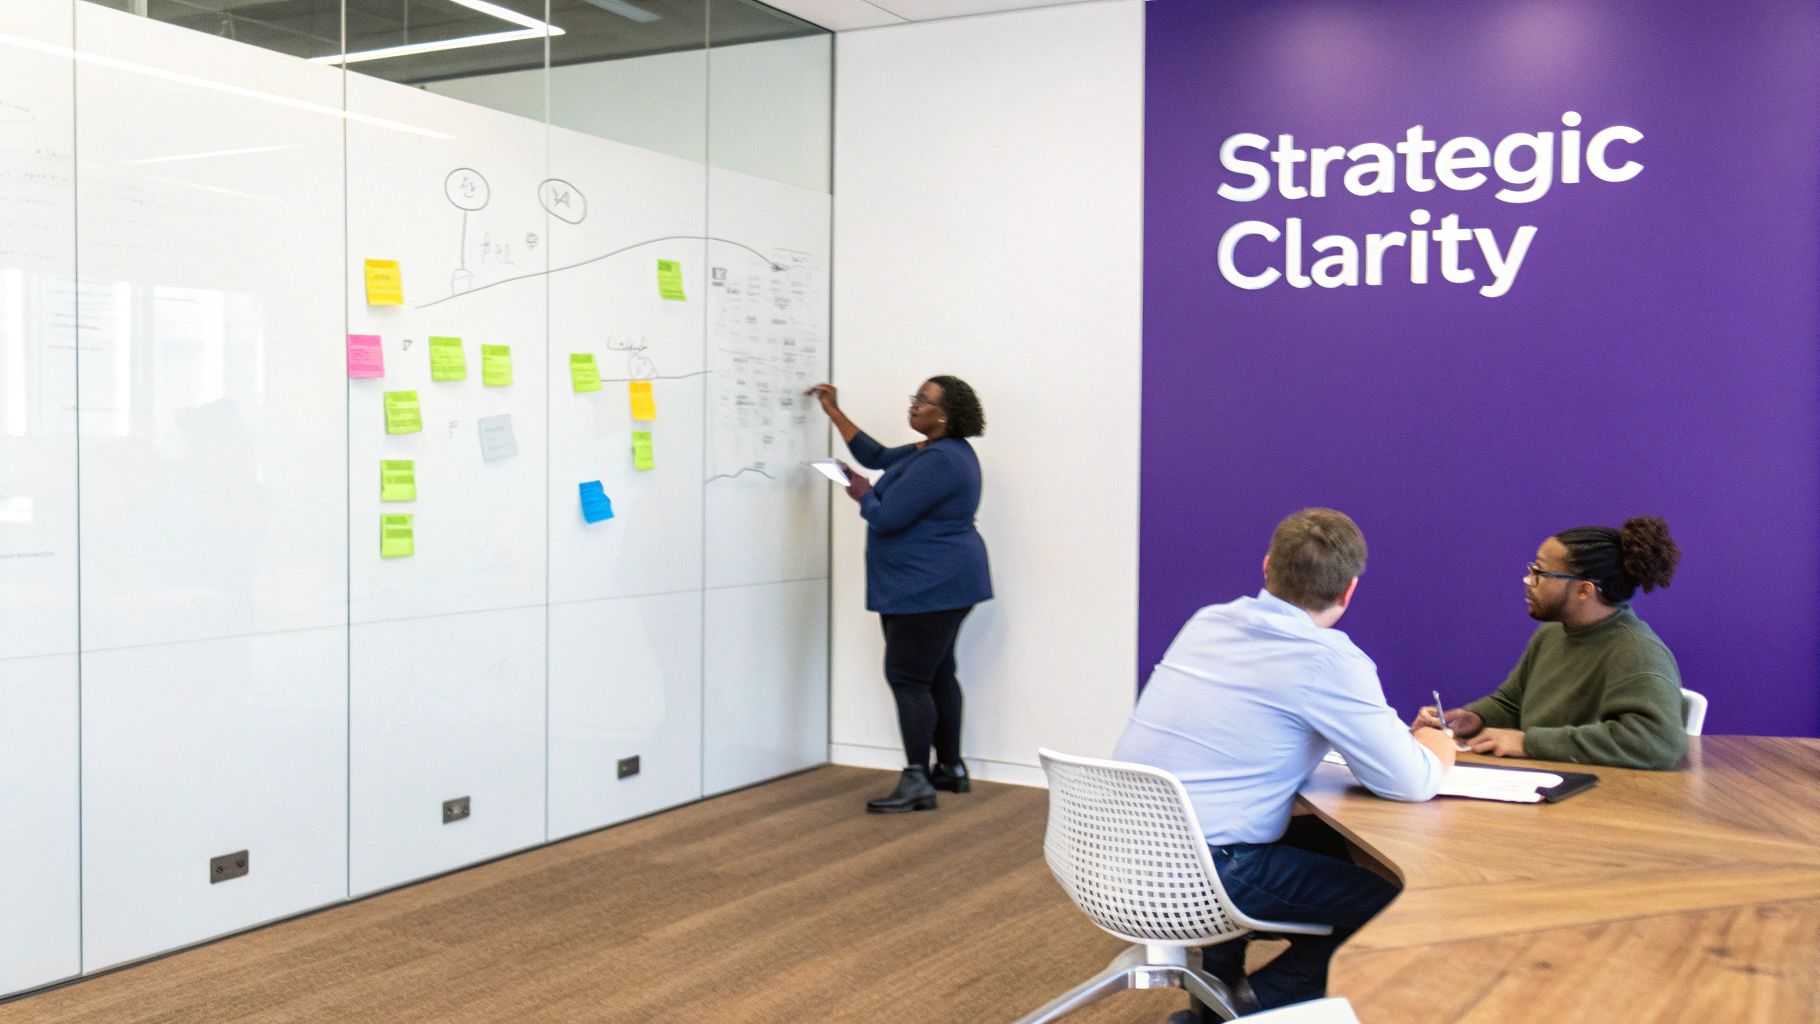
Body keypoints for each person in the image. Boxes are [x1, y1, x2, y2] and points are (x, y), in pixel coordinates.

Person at [1112, 509, 1456, 1016]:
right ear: (1349, 591)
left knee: (1323, 841)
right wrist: (1436, 744)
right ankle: (1245, 1011)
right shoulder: (1328, 660)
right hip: (1203, 870)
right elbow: (1412, 782)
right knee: (1396, 904)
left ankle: (1216, 998)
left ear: (1268, 565)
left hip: (1112, 848)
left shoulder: (1208, 622)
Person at [808, 377, 992, 813]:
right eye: (916, 398)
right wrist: (834, 411)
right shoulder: (935, 451)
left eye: (923, 401)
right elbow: (877, 457)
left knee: (908, 677)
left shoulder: (940, 460)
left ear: (944, 415)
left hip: (926, 585)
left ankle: (916, 780)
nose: (914, 405)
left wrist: (859, 490)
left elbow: (886, 516)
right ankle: (950, 768)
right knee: (939, 673)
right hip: (945, 582)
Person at [1415, 516, 1686, 770]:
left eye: (1540, 572)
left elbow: (1657, 742)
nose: (1528, 581)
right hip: (1544, 776)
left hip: (1599, 793)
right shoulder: (1552, 632)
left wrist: (1528, 743)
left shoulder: (1638, 652)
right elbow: (1512, 703)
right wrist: (1475, 717)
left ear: (1584, 590)